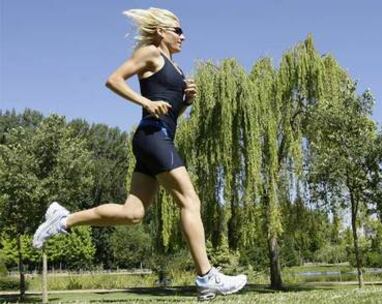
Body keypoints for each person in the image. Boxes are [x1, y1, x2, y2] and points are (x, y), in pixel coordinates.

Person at [32, 7, 247, 301]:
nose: (184, 37)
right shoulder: (151, 54)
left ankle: (64, 220)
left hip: (157, 136)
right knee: (190, 199)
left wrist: (185, 103)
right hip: (153, 136)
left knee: (133, 213)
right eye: (178, 30)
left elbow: (170, 113)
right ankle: (207, 277)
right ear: (161, 32)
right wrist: (145, 101)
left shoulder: (176, 67)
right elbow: (114, 80)